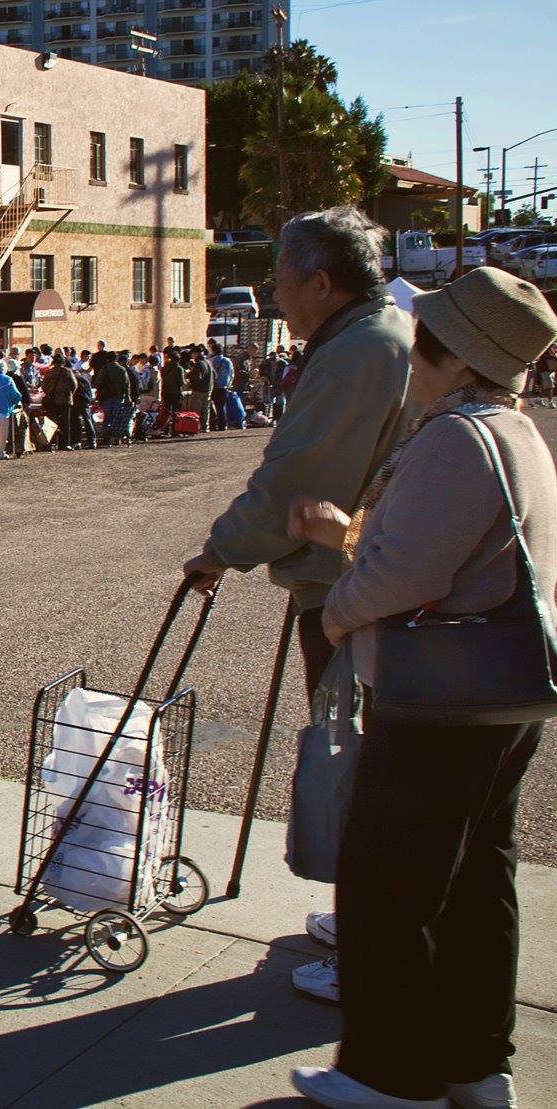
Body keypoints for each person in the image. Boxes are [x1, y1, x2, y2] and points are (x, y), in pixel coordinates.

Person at [285, 267, 556, 1109]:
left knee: (389, 884)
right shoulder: (516, 433)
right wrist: (354, 534)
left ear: (446, 354)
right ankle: (476, 1060)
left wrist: (337, 614)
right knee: (480, 877)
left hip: (438, 702)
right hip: (503, 695)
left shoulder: (452, 438)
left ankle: (390, 1073)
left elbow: (406, 571)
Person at [185, 207, 413, 1005]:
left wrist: (221, 549)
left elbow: (293, 479)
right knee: (352, 757)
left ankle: (370, 938)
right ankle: (361, 918)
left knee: (354, 763)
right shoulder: (373, 336)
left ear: (322, 282)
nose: (276, 297)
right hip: (349, 582)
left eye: (283, 283)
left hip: (351, 595)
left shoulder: (358, 352)